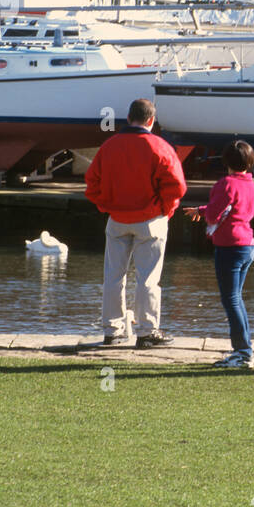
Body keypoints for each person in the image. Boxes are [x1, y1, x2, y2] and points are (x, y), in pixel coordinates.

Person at [85, 98, 187, 347]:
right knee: (148, 278)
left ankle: (112, 330)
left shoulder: (109, 146)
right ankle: (146, 332)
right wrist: (166, 210)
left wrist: (106, 206)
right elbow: (177, 186)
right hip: (150, 220)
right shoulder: (160, 147)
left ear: (128, 117)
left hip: (117, 219)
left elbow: (92, 183)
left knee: (113, 276)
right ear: (151, 120)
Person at [186, 140, 254, 369]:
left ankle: (243, 352)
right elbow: (237, 210)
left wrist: (205, 212)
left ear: (225, 161)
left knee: (231, 300)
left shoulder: (225, 183)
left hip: (229, 246)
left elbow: (215, 215)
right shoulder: (250, 183)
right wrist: (201, 210)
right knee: (236, 298)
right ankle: (244, 349)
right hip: (247, 245)